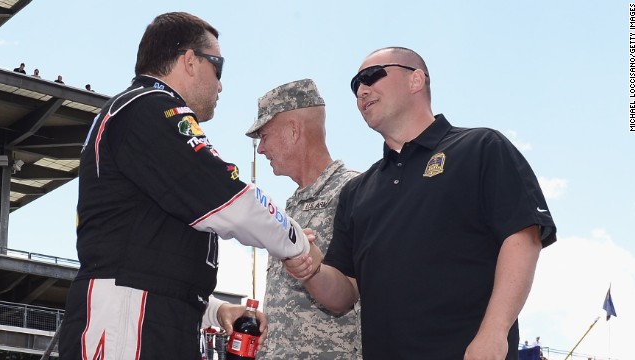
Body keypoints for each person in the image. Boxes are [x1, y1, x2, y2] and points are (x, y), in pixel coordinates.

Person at [58, 12, 311, 360]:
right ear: (190, 61)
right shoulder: (148, 108)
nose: (221, 85)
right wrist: (297, 244)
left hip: (146, 313)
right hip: (128, 319)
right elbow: (229, 199)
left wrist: (214, 310)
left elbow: (153, 246)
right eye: (218, 68)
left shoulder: (139, 113)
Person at [284, 46, 557, 360]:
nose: (361, 89)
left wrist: (494, 333)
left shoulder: (480, 147)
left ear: (416, 80)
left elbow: (523, 236)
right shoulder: (358, 191)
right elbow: (344, 293)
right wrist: (310, 268)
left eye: (372, 76)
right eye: (355, 84)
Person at [245, 79, 361, 359]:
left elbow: (353, 294)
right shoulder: (291, 207)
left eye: (264, 136)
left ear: (293, 130)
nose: (260, 149)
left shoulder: (357, 192)